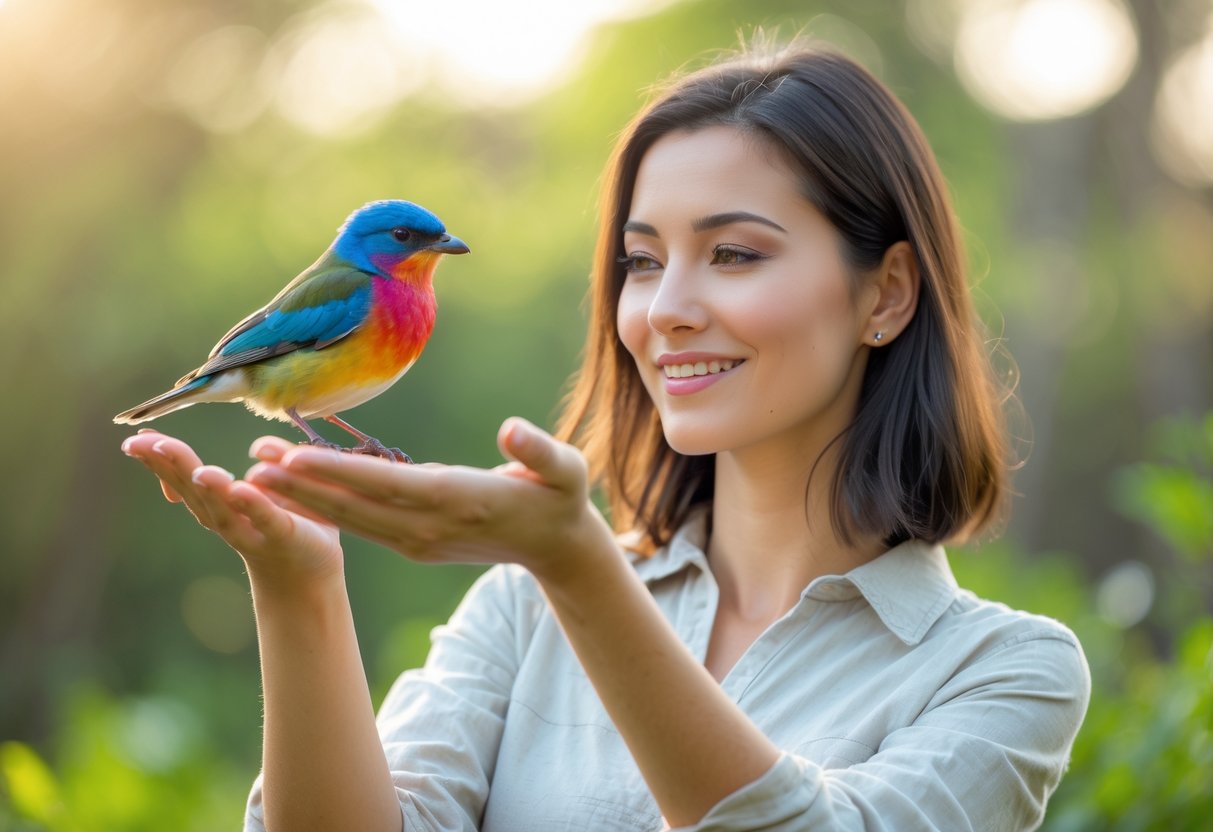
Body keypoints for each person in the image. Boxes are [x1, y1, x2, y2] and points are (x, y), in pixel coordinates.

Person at [121, 42, 1090, 831]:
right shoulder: (518, 608)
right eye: (640, 260)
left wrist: (580, 567)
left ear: (884, 294)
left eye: (734, 254)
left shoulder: (1000, 673)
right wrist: (300, 589)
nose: (664, 309)